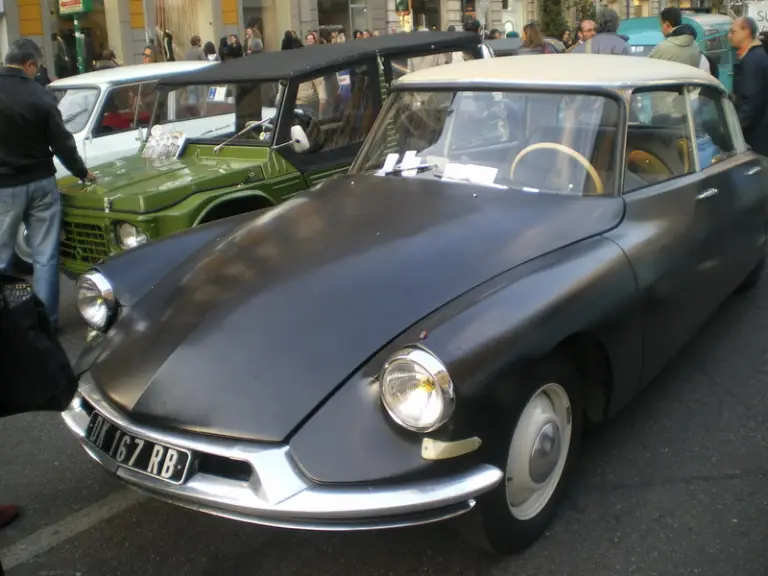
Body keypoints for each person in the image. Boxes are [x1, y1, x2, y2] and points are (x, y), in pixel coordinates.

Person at [0, 39, 95, 331]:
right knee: (45, 257)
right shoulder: (41, 96)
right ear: (29, 64)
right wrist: (81, 172)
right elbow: (62, 143)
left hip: (4, 186)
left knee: (1, 257)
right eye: (37, 67)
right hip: (41, 183)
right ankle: (45, 324)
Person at [729, 17, 768, 155]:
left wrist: (735, 130)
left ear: (746, 32)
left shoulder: (753, 60)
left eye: (733, 31)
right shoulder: (753, 56)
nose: (729, 35)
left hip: (755, 138)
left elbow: (751, 101)